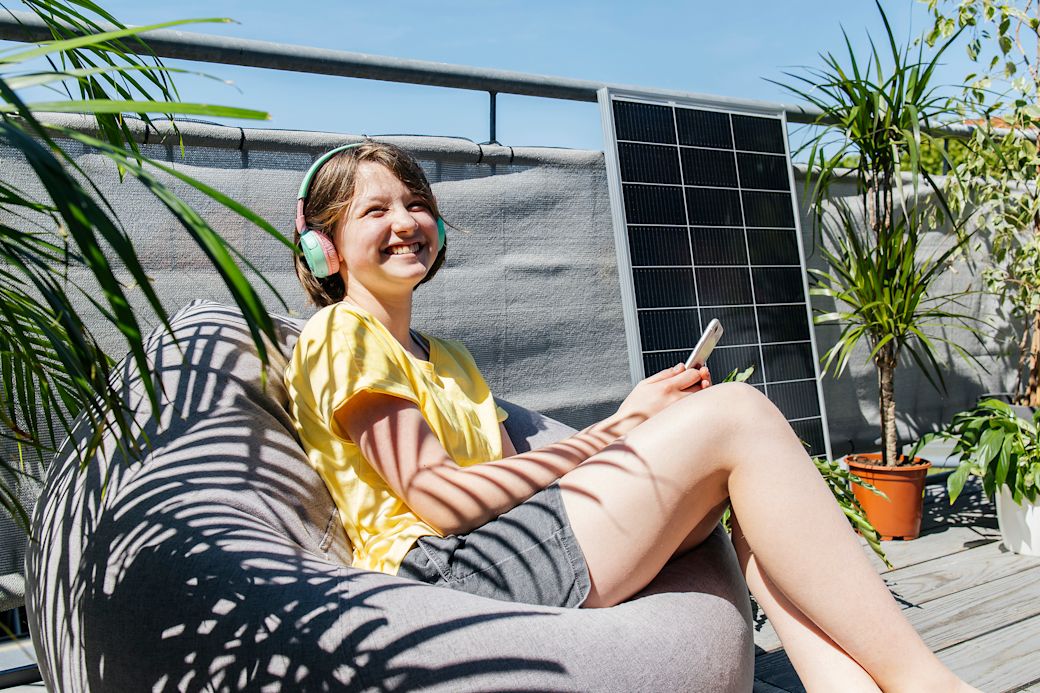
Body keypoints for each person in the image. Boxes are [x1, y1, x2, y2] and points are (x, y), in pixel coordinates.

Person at [284, 141, 976, 692]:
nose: (404, 221)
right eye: (374, 211)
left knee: (748, 485)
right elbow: (442, 499)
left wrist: (636, 423)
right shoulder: (341, 333)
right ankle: (925, 682)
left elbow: (512, 482)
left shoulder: (451, 356)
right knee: (733, 413)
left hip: (503, 545)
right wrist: (616, 432)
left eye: (415, 202)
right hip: (442, 574)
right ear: (327, 247)